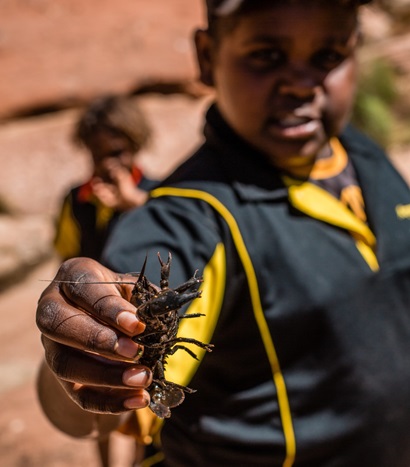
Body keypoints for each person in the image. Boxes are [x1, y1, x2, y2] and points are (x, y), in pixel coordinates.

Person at [36, 1, 410, 466]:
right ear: (207, 56)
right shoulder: (190, 217)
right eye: (267, 55)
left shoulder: (361, 152)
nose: (301, 83)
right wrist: (73, 362)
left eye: (328, 55)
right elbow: (90, 401)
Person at [54, 94, 156, 262]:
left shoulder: (157, 194)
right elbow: (67, 258)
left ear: (135, 145)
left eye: (116, 153)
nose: (108, 164)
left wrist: (134, 202)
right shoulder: (76, 200)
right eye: (98, 155)